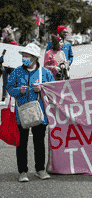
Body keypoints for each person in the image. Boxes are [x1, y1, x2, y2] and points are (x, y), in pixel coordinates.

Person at [7, 43, 55, 182]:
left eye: (27, 55)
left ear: (34, 58)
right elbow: (9, 88)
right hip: (21, 114)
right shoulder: (16, 72)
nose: (24, 57)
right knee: (21, 143)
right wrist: (18, 91)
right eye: (23, 55)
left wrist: (41, 89)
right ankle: (22, 171)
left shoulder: (46, 73)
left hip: (40, 114)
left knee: (39, 142)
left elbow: (52, 91)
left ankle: (40, 169)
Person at [1, 29, 19, 102]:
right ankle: (3, 98)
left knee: (13, 82)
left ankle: (14, 99)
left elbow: (16, 54)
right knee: (4, 82)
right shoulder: (3, 42)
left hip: (12, 65)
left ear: (8, 34)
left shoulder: (14, 43)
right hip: (5, 65)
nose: (3, 34)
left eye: (4, 33)